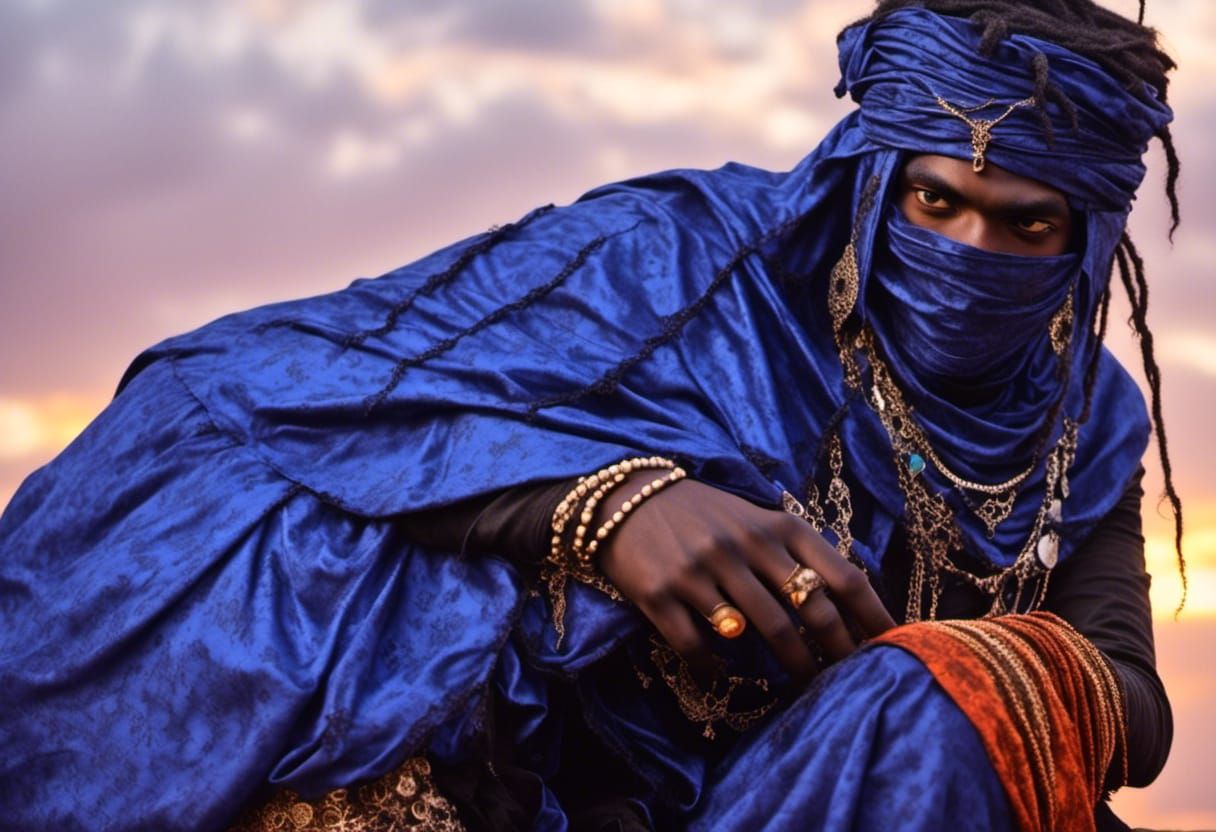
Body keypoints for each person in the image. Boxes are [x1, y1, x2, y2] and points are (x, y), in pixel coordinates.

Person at [0, 1, 1185, 830]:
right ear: (873, 182)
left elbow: (1134, 709)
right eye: (938, 201)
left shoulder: (1086, 417)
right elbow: (244, 394)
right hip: (564, 790)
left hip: (852, 793)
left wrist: (956, 677)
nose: (971, 251)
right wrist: (605, 505)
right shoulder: (675, 267)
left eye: (1027, 226)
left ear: (1088, 239)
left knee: (932, 700)